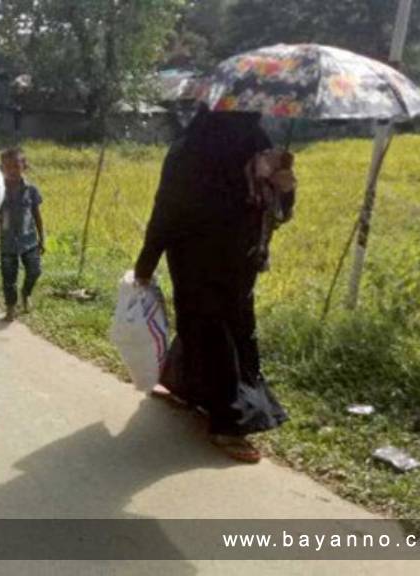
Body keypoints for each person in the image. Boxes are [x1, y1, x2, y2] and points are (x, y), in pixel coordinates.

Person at [133, 107, 296, 463]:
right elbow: (170, 207)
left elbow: (167, 209)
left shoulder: (213, 145)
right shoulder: (228, 144)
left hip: (221, 257)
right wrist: (147, 262)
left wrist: (284, 185)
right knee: (219, 329)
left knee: (217, 327)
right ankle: (212, 410)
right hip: (217, 257)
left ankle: (206, 404)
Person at [0, 147, 45, 322]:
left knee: (35, 271)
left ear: (24, 166)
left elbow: (37, 215)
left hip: (29, 241)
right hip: (7, 243)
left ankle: (26, 293)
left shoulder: (31, 190)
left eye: (16, 166)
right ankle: (10, 307)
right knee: (8, 278)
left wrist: (42, 238)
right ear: (2, 168)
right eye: (7, 167)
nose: (12, 170)